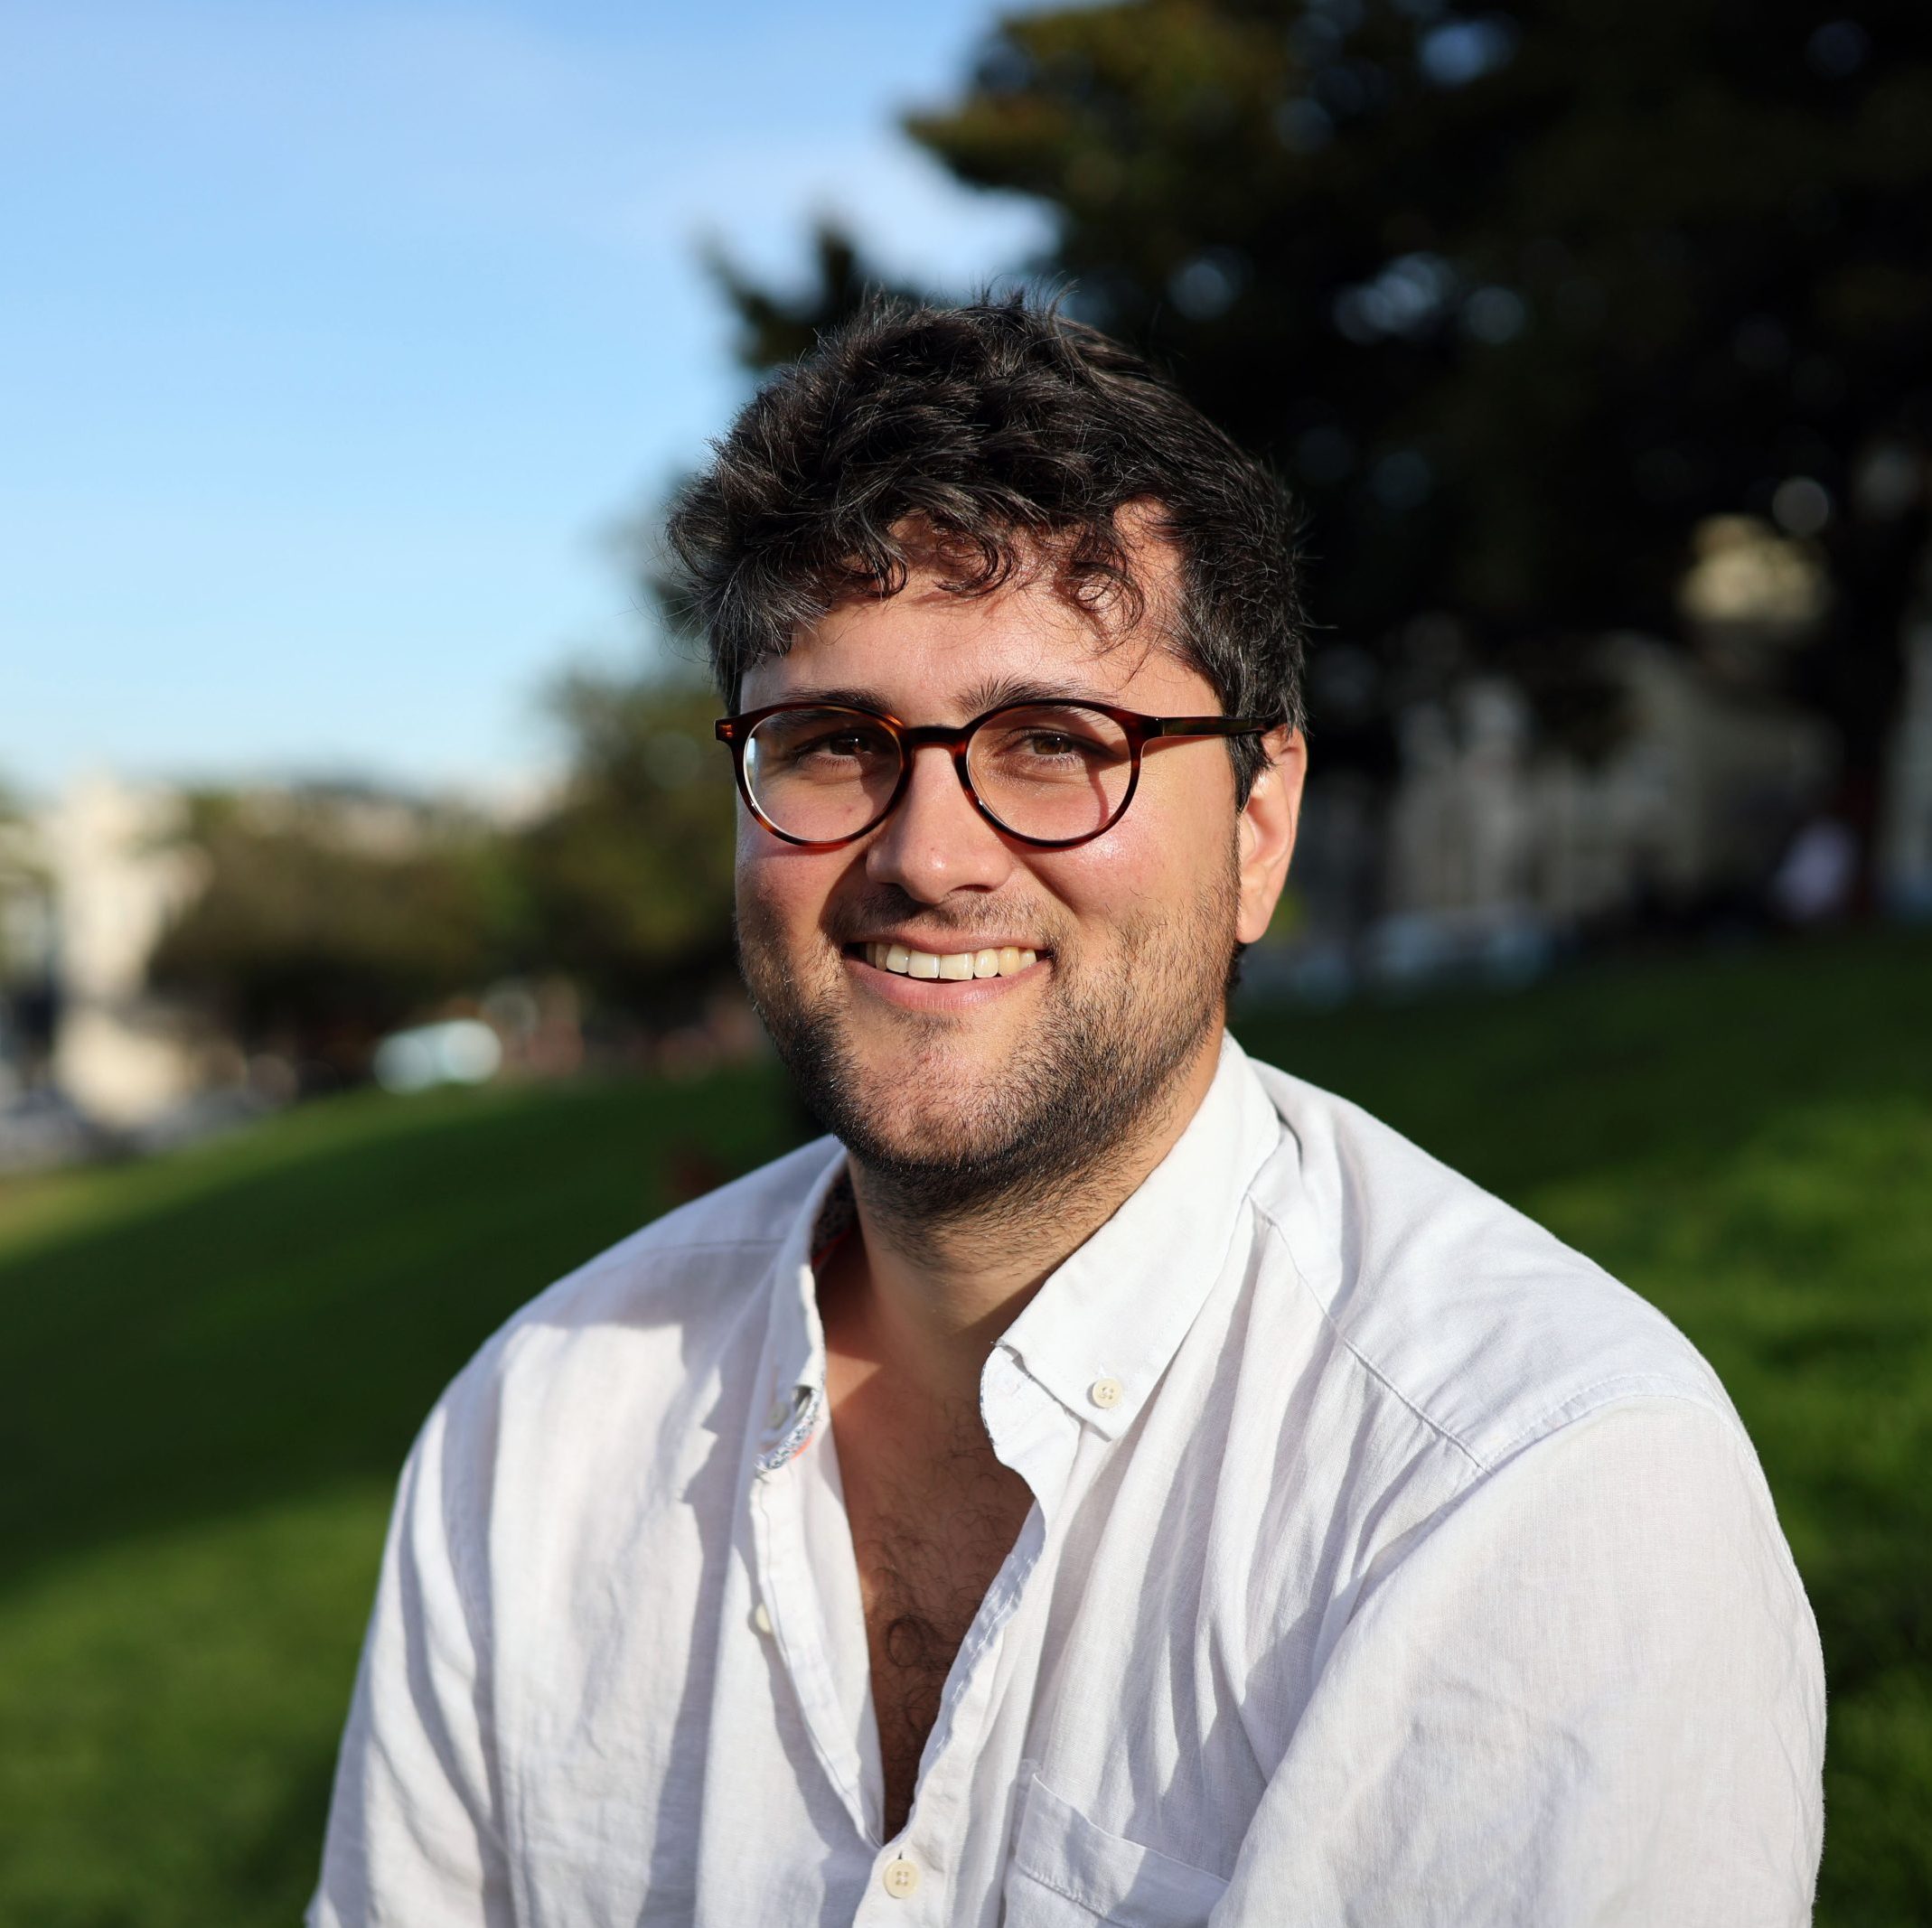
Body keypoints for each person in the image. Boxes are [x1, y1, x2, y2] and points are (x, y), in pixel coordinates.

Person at [311, 299, 1824, 1927]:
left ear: (1257, 828)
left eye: (1053, 742)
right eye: (833, 743)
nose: (927, 851)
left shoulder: (1530, 1491)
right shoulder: (532, 1432)